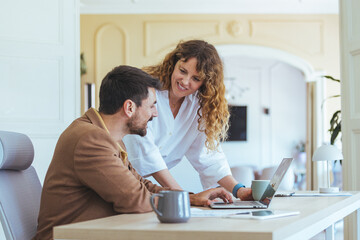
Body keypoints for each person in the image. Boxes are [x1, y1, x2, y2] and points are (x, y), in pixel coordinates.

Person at [33, 66, 232, 240]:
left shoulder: (108, 137)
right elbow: (136, 200)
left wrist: (191, 198)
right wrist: (185, 200)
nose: (155, 113)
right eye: (152, 105)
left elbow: (142, 186)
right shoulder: (91, 139)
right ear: (129, 107)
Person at [123, 40, 252, 200]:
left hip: (154, 190)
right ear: (173, 63)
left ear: (206, 83)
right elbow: (147, 153)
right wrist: (186, 198)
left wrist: (239, 190)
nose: (184, 81)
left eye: (196, 78)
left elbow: (210, 158)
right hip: (122, 178)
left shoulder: (198, 107)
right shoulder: (146, 92)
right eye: (182, 71)